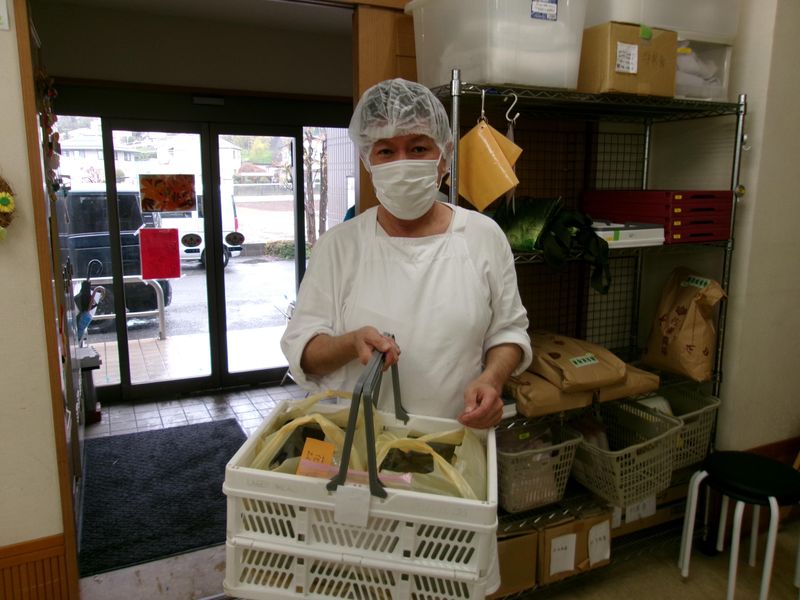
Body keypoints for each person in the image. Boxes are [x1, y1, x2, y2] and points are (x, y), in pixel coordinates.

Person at [280, 78, 532, 430]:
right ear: (369, 161)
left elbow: (508, 332)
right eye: (386, 151)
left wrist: (492, 379)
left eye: (417, 149)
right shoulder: (338, 246)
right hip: (362, 448)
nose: (402, 163)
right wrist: (351, 343)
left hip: (457, 437)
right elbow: (304, 352)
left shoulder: (483, 237)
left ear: (443, 158)